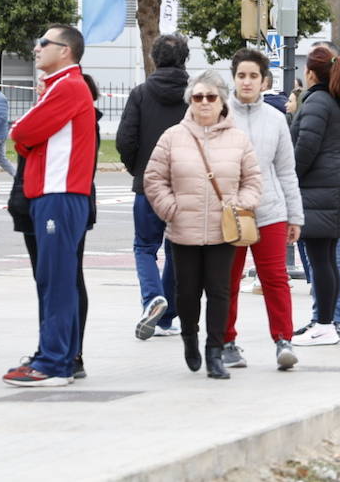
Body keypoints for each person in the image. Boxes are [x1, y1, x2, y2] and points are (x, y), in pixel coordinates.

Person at [143, 70, 263, 380]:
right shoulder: (173, 137)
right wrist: (171, 208)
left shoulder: (238, 139)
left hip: (223, 229)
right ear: (190, 101)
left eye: (211, 97)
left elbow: (253, 180)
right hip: (184, 230)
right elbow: (154, 178)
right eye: (198, 97)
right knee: (187, 294)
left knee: (220, 292)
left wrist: (242, 202)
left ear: (222, 101)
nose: (205, 102)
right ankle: (189, 338)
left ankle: (215, 352)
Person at [1, 25, 97, 387]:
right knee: (58, 279)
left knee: (55, 280)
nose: (36, 47)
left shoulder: (68, 86)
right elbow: (26, 138)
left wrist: (27, 140)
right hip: (54, 194)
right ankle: (60, 356)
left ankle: (54, 363)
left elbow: (21, 133)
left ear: (66, 51)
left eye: (44, 42)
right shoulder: (62, 86)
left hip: (59, 195)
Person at [222, 48, 303, 371]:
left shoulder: (276, 119)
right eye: (241, 75)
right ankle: (226, 341)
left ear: (264, 80)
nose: (247, 81)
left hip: (270, 210)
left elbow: (286, 170)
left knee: (275, 278)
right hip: (230, 212)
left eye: (253, 76)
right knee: (226, 280)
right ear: (234, 79)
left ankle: (284, 340)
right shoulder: (219, 113)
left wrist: (295, 215)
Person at [117, 33, 189, 340]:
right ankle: (166, 317)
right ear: (185, 59)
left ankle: (152, 298)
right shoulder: (196, 95)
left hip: (149, 184)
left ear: (153, 58)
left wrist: (139, 170)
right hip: (186, 185)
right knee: (176, 250)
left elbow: (125, 139)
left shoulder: (141, 93)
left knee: (145, 247)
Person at [290, 45, 340, 347]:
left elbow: (306, 148)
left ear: (310, 73)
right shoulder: (331, 101)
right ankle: (326, 323)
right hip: (333, 188)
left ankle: (325, 324)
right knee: (326, 260)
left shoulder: (316, 101)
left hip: (321, 191)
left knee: (321, 261)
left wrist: (289, 179)